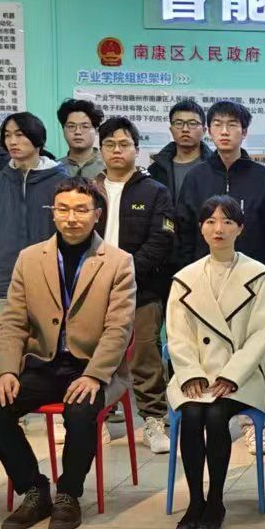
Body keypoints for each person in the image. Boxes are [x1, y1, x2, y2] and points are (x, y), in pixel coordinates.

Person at [0, 178, 135, 529]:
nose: (71, 218)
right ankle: (34, 490)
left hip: (91, 367)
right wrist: (6, 371)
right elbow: (13, 322)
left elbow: (119, 328)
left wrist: (94, 375)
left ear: (96, 215)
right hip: (43, 364)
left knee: (81, 411)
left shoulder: (118, 262)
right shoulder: (30, 258)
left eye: (81, 210)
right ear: (53, 213)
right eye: (63, 209)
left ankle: (68, 493)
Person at [166, 194, 265, 529]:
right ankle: (194, 501)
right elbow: (177, 335)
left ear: (240, 228)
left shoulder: (259, 275)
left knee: (215, 416)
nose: (219, 229)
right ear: (201, 228)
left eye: (228, 222)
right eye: (211, 221)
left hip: (245, 374)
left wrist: (231, 375)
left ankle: (215, 500)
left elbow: (260, 334)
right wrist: (190, 373)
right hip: (195, 373)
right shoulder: (184, 278)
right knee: (192, 414)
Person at [97, 116, 176, 455]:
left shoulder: (155, 191)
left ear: (136, 149)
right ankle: (97, 418)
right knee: (97, 355)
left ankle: (153, 420)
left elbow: (162, 240)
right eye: (110, 144)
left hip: (142, 288)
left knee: (146, 355)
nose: (117, 150)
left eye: (124, 144)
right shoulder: (87, 189)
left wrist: (125, 272)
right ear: (101, 150)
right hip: (94, 290)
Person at [174, 99, 265, 277]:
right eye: (218, 124)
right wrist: (189, 276)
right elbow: (184, 232)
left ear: (244, 132)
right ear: (209, 131)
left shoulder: (264, 177)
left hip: (253, 277)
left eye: (232, 124)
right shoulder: (195, 177)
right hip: (203, 277)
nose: (224, 131)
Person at [0, 111, 65, 318]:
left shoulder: (61, 182)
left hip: (51, 282)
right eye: (7, 135)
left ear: (37, 137)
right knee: (8, 338)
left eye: (20, 134)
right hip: (3, 281)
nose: (12, 141)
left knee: (49, 339)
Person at [148, 98, 214, 205]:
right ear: (171, 130)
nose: (185, 129)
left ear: (204, 130)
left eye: (192, 123)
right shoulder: (156, 170)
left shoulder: (216, 166)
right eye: (179, 123)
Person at [56, 97, 105, 179]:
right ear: (63, 130)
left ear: (96, 130)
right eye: (71, 126)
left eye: (85, 126)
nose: (77, 132)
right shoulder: (54, 169)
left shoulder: (108, 166)